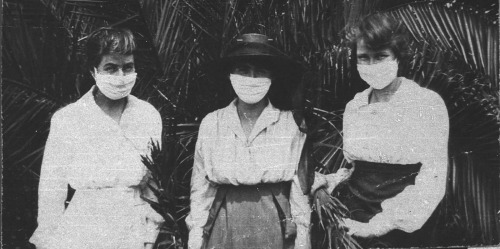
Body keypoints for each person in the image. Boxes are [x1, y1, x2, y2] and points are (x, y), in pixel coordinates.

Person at [29, 27, 163, 249]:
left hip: (132, 232)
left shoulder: (147, 115)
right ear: (94, 70)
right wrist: (47, 242)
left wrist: (150, 235)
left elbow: (153, 184)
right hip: (83, 231)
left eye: (127, 68)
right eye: (110, 68)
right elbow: (51, 191)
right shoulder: (69, 118)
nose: (121, 77)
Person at [332, 13, 449, 247]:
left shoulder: (425, 103)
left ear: (397, 56)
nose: (372, 65)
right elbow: (356, 167)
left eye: (381, 56)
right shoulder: (355, 106)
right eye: (364, 58)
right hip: (354, 215)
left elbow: (432, 177)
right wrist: (330, 181)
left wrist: (379, 226)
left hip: (403, 224)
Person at [186, 33, 312, 249]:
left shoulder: (289, 124)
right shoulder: (212, 123)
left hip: (273, 221)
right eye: (243, 71)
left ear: (272, 77)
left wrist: (302, 241)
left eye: (260, 72)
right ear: (230, 75)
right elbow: (201, 188)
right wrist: (196, 239)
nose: (252, 79)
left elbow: (300, 191)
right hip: (224, 221)